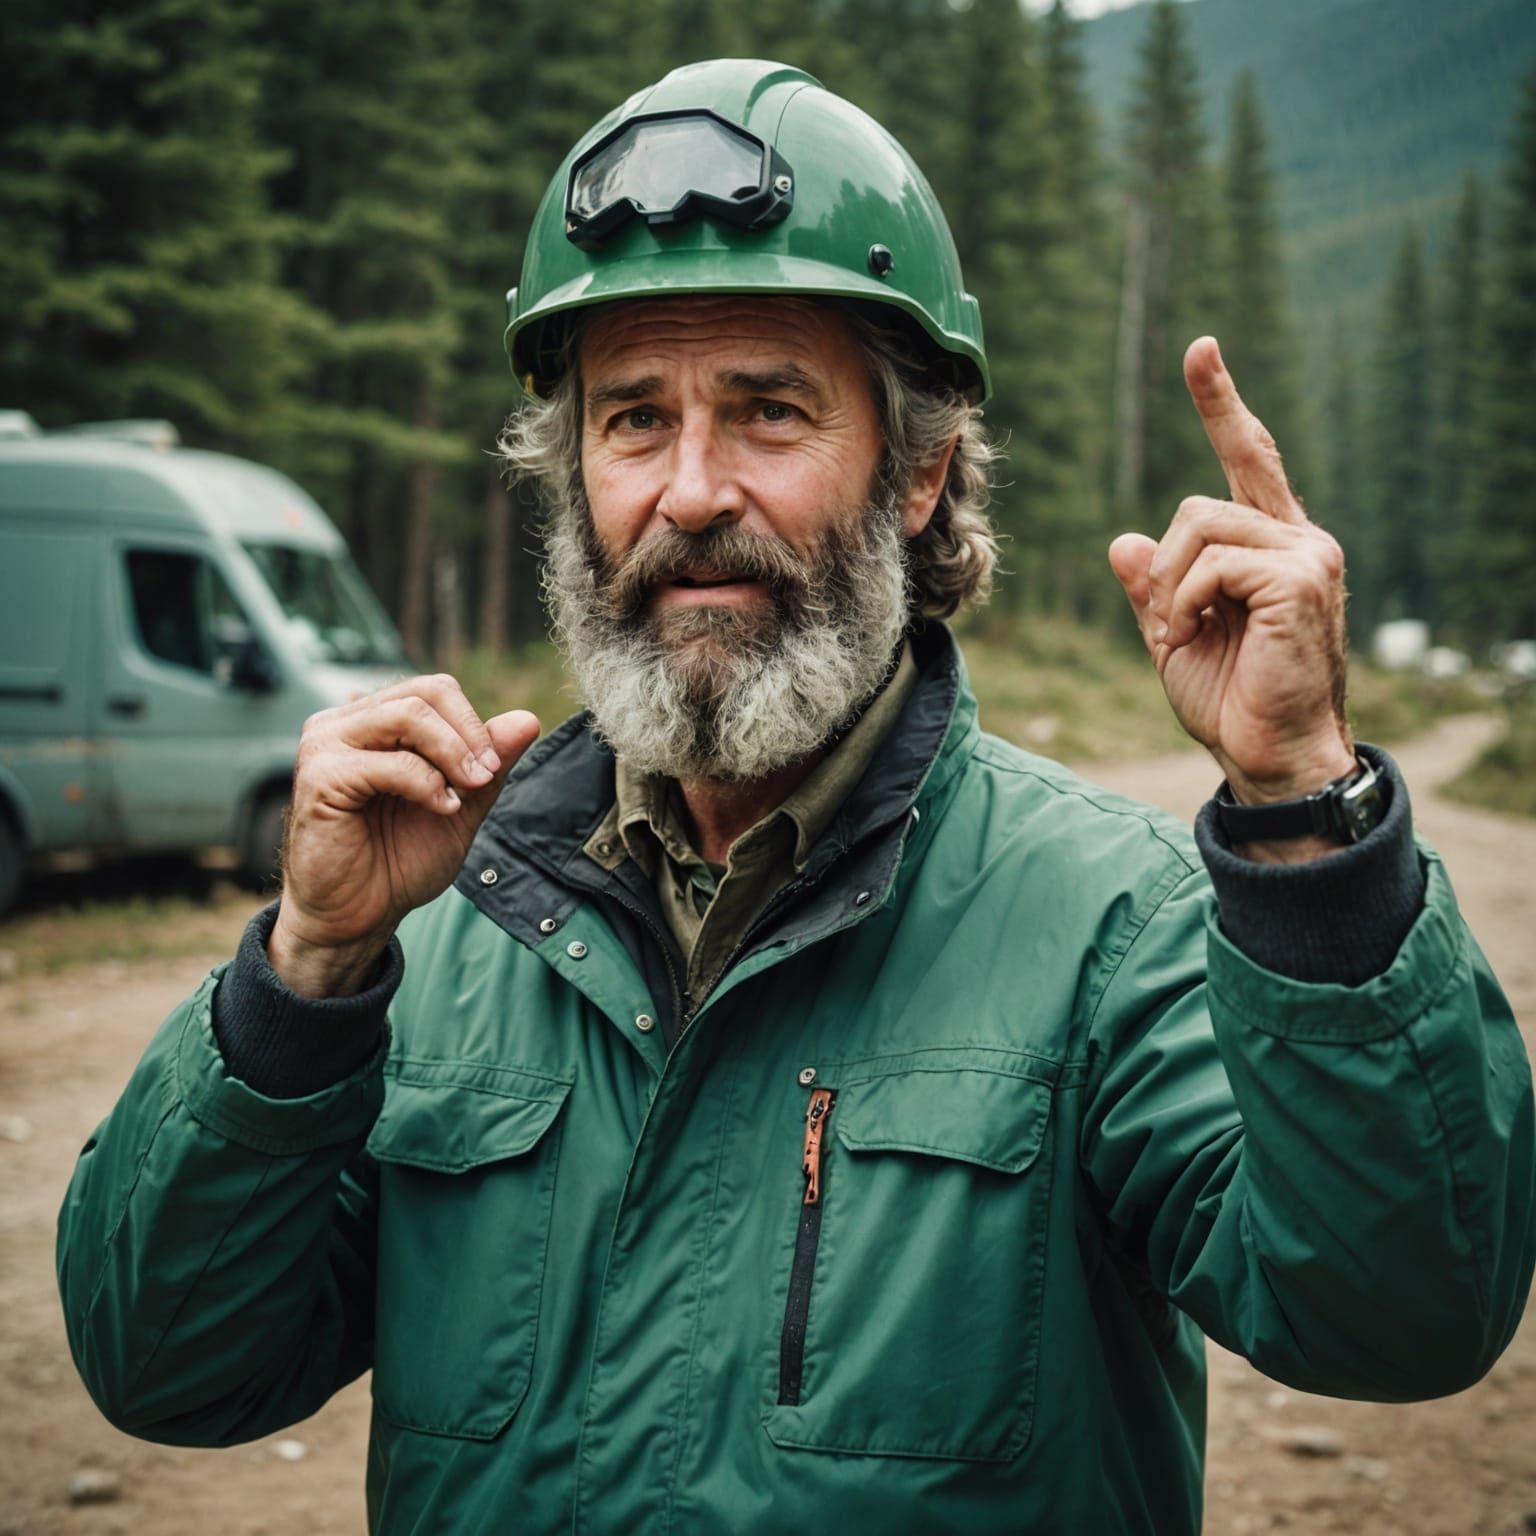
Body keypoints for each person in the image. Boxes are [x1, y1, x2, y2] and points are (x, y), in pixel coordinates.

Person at [58, 60, 1533, 1535]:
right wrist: (307, 969)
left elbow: (1398, 1319)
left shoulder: (1117, 923)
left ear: (915, 473)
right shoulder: (438, 926)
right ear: (575, 473)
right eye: (633, 420)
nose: (691, 489)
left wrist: (1300, 808)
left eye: (767, 411)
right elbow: (167, 1366)